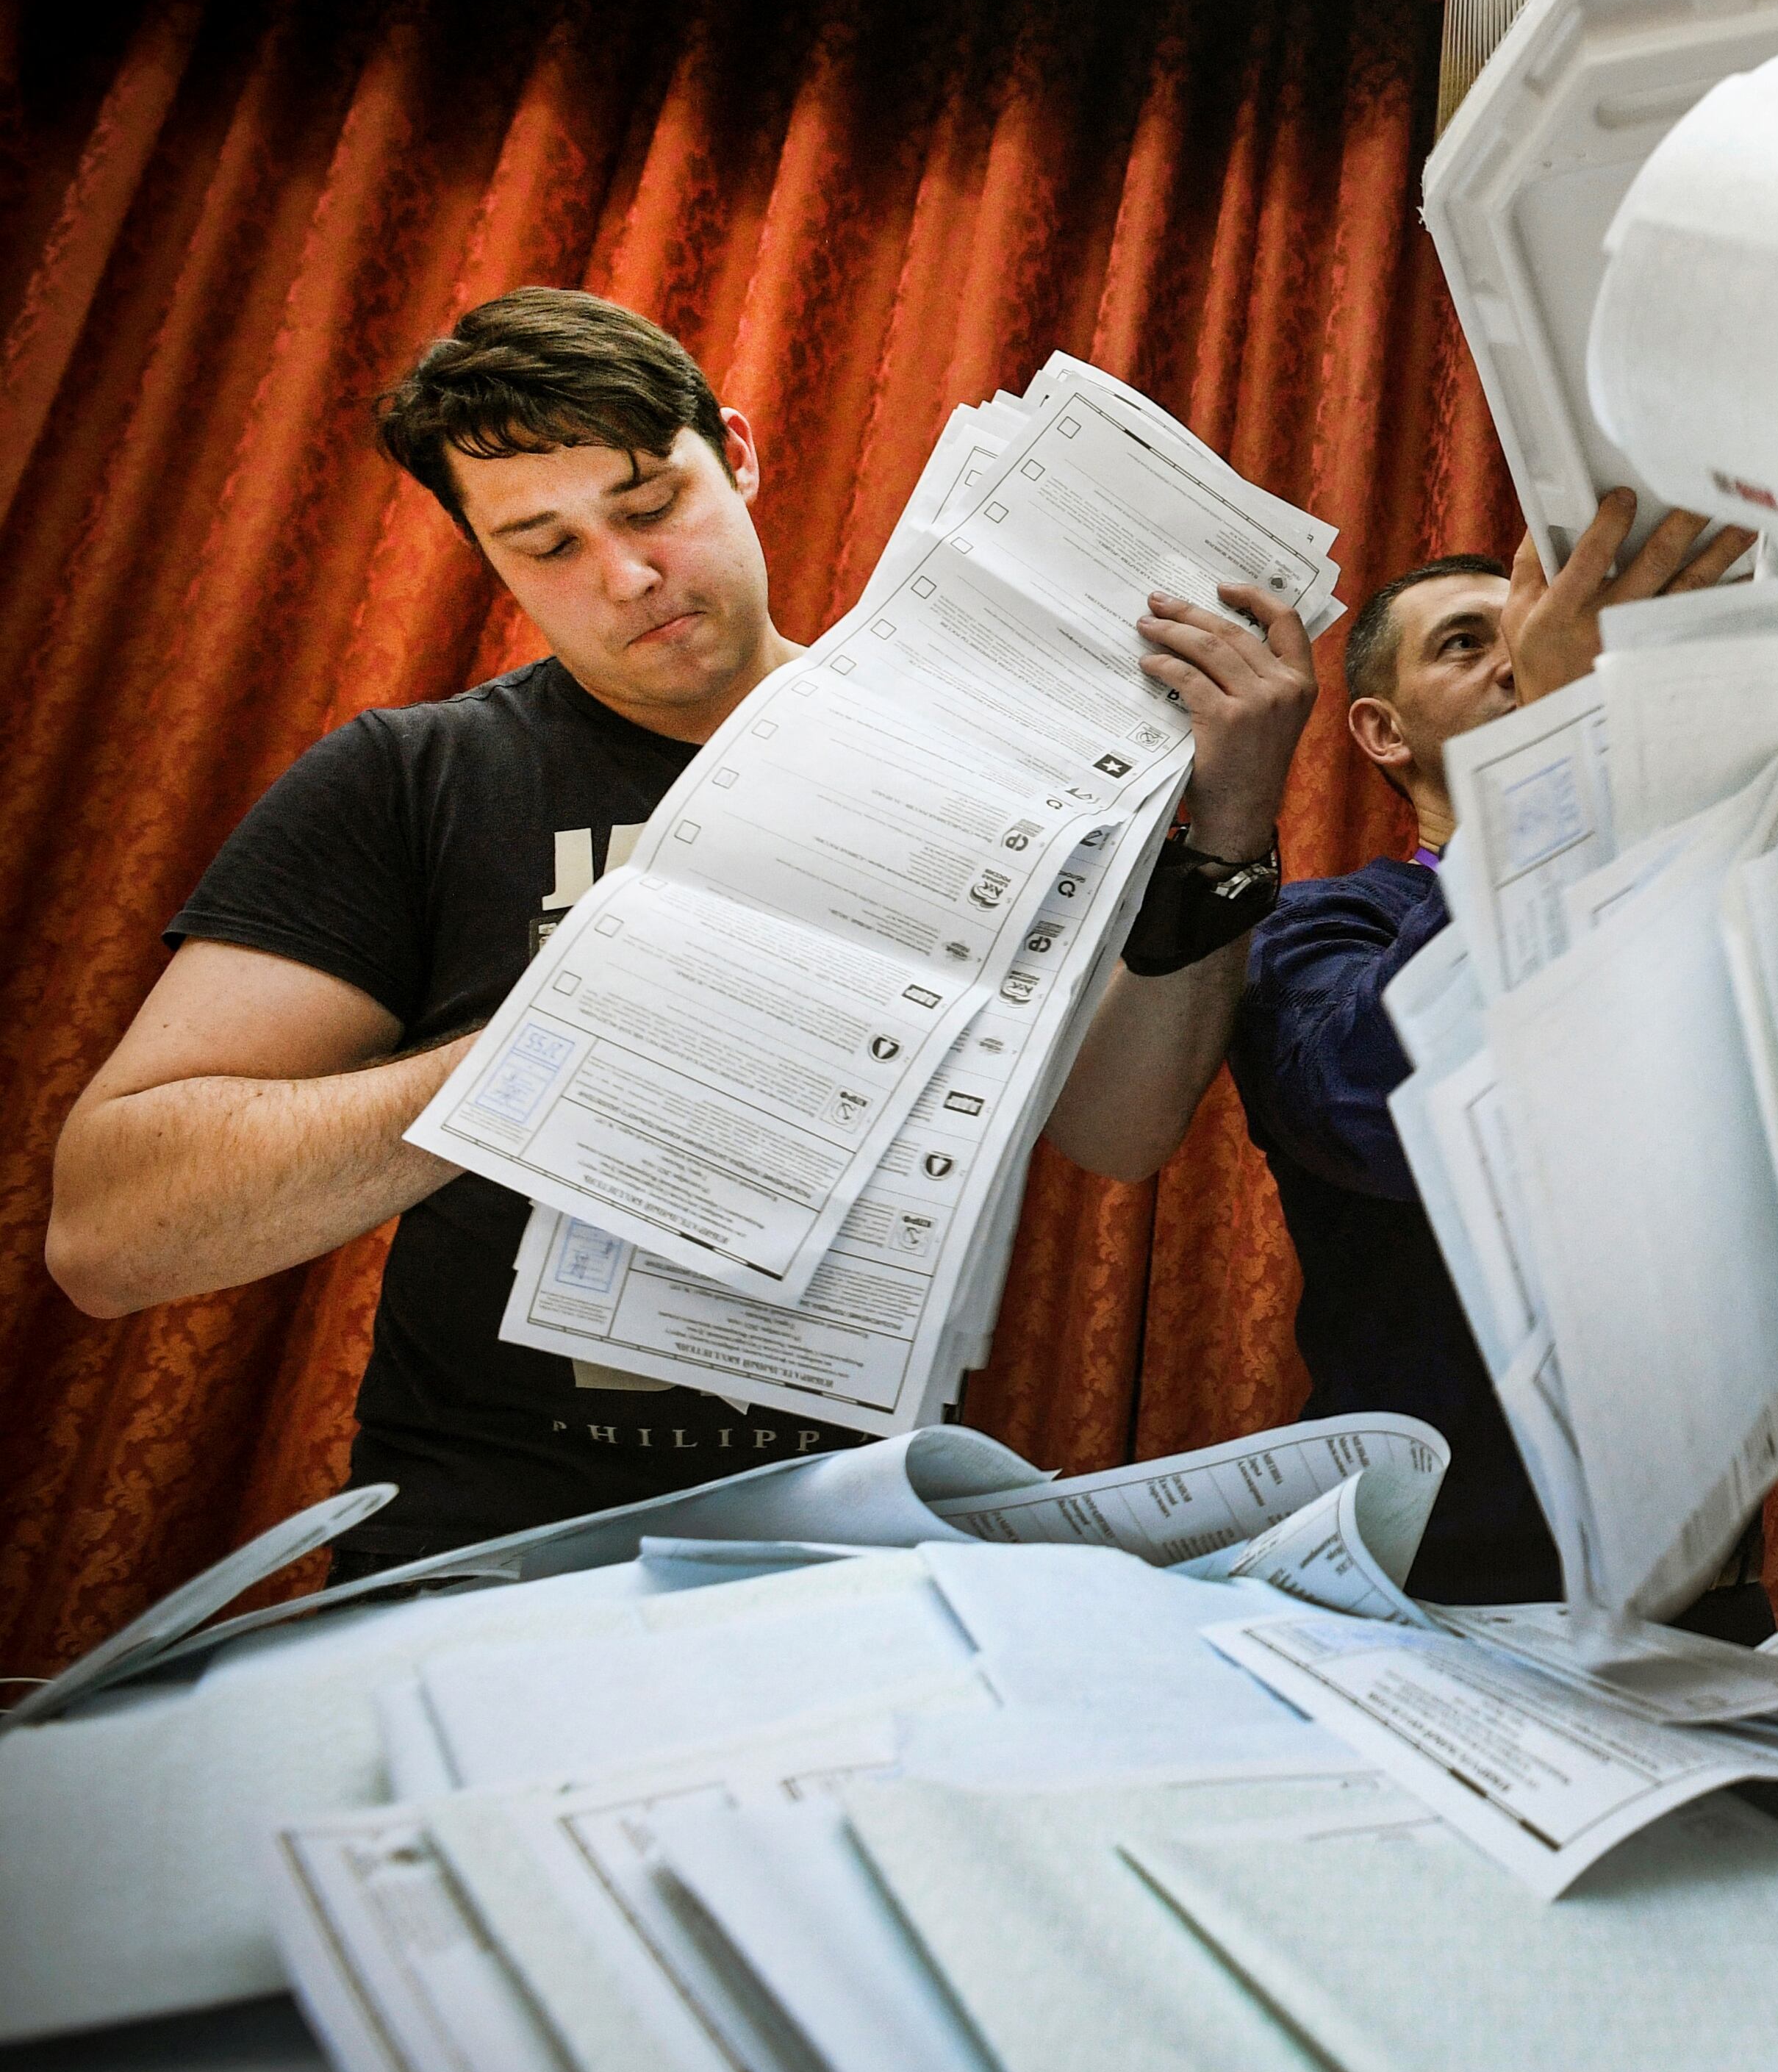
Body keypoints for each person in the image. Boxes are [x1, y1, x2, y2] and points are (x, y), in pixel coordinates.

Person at [45, 290, 1316, 1579]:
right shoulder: (413, 778)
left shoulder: (987, 764)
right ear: (486, 562)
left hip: (865, 1541)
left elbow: (1119, 1132)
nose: (628, 574)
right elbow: (110, 1237)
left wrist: (1232, 829)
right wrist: (559, 1037)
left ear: (742, 454)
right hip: (496, 1538)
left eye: (651, 503)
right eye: (544, 546)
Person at [1222, 495, 1749, 1605]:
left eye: (1533, 639)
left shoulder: (1699, 918)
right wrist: (1560, 753)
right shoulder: (1318, 929)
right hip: (1420, 1582)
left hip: (1686, 1592)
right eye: (1470, 644)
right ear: (1382, 731)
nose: (1523, 661)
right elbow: (1373, 1103)